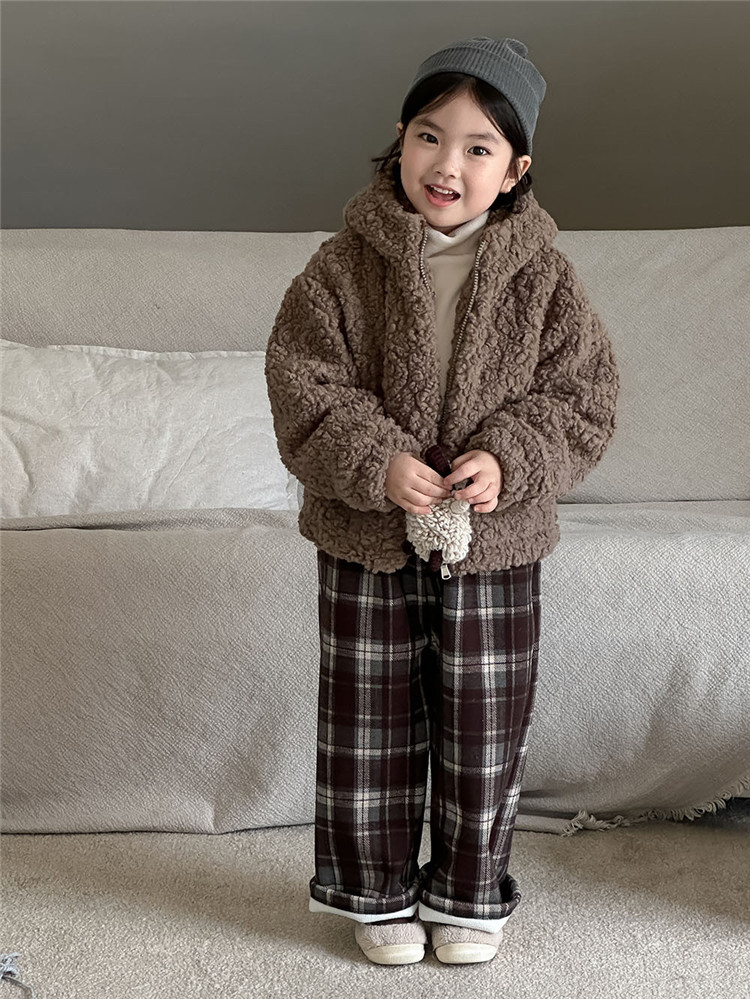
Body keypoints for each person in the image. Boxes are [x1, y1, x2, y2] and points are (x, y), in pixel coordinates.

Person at [265, 36, 619, 967]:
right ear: (399, 139)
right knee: (368, 721)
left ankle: (468, 889)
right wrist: (375, 459)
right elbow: (303, 380)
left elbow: (582, 397)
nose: (447, 165)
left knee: (484, 724)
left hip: (495, 544)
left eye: (478, 147)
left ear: (515, 171)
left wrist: (509, 457)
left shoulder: (546, 279)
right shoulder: (342, 268)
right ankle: (377, 890)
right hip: (367, 538)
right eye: (430, 136)